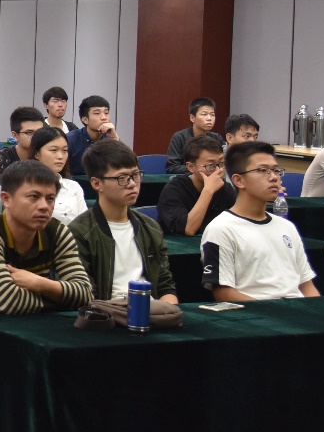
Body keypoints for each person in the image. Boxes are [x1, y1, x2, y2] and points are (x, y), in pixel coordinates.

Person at [0, 160, 93, 374]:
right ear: (6, 199)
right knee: (19, 377)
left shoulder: (57, 232)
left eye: (50, 198)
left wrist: (40, 284)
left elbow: (85, 294)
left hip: (35, 331)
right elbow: (11, 303)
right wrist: (62, 299)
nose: (44, 206)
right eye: (33, 197)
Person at [202, 141, 320, 301]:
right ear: (238, 180)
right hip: (256, 312)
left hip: (298, 310)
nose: (274, 177)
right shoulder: (221, 229)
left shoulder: (287, 226)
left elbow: (306, 285)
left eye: (276, 170)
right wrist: (277, 311)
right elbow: (223, 293)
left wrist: (315, 309)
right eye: (262, 170)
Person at [69, 140, 178, 303]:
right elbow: (86, 295)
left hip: (151, 310)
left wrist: (169, 309)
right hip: (106, 311)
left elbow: (165, 286)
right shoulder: (79, 232)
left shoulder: (151, 228)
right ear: (96, 183)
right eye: (122, 178)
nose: (132, 184)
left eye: (135, 175)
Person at [157, 135, 238, 235]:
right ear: (190, 167)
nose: (218, 171)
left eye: (221, 163)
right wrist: (208, 190)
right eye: (210, 165)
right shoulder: (173, 190)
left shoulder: (225, 189)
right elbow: (188, 229)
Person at [24, 126, 87, 225]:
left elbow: (84, 224)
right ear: (36, 153)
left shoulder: (73, 187)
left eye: (65, 151)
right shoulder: (24, 185)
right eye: (53, 150)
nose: (60, 156)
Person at [165, 97, 222, 174]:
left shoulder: (216, 138)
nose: (209, 118)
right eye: (204, 114)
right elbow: (172, 167)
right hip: (187, 179)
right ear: (192, 118)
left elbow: (224, 162)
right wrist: (199, 169)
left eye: (212, 115)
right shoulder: (179, 137)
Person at [66, 95, 118, 176]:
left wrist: (115, 139)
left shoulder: (110, 139)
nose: (104, 117)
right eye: (97, 113)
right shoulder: (71, 139)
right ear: (85, 120)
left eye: (106, 113)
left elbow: (124, 166)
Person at [0, 106, 46, 174]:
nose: (36, 136)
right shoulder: (2, 159)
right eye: (29, 132)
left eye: (39, 131)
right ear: (15, 135)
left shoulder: (47, 157)